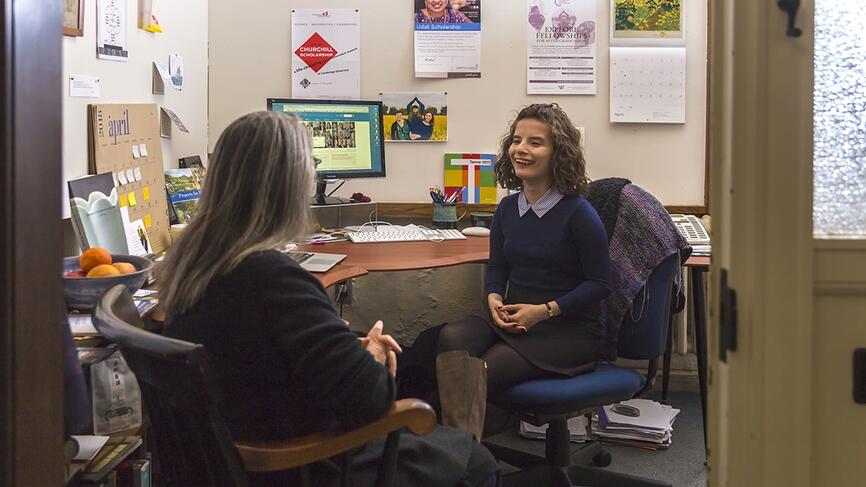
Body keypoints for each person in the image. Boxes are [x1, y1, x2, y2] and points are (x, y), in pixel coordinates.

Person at [157, 111, 500, 487]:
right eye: (311, 166)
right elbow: (372, 400)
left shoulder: (191, 263)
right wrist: (370, 355)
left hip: (240, 450)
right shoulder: (272, 277)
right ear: (285, 185)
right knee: (475, 460)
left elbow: (264, 349)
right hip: (304, 461)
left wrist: (341, 343)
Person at [435, 104, 611, 439]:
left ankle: (461, 453)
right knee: (451, 339)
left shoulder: (579, 212)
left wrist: (544, 312)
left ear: (558, 153)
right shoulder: (506, 208)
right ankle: (459, 448)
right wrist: (493, 296)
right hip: (516, 316)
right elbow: (498, 265)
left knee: (486, 368)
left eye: (535, 142)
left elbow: (601, 284)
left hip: (567, 328)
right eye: (517, 140)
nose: (522, 149)